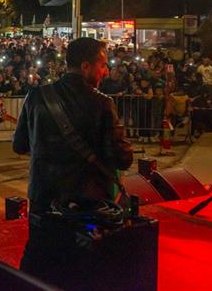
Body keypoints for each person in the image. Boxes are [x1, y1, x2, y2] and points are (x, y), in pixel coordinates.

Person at [13, 37, 133, 285]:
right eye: (102, 65)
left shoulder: (36, 96)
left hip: (44, 204)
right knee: (83, 277)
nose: (106, 71)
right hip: (86, 208)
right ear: (86, 66)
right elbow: (123, 159)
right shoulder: (103, 104)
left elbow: (20, 145)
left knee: (37, 273)